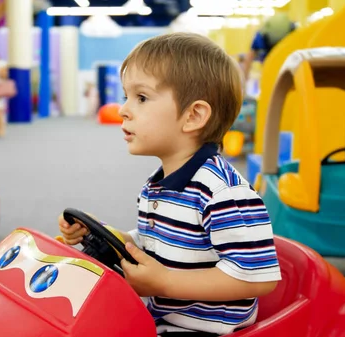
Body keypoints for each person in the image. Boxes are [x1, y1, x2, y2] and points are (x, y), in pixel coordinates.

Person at [58, 32, 281, 337]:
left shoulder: (223, 193)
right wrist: (105, 233)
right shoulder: (159, 183)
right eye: (126, 96)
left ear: (193, 116)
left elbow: (258, 278)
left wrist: (165, 282)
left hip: (204, 330)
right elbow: (156, 243)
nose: (123, 109)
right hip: (158, 318)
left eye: (141, 98)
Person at [241, 12, 296, 82]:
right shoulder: (260, 37)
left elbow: (248, 59)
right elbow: (248, 59)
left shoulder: (261, 36)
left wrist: (244, 81)